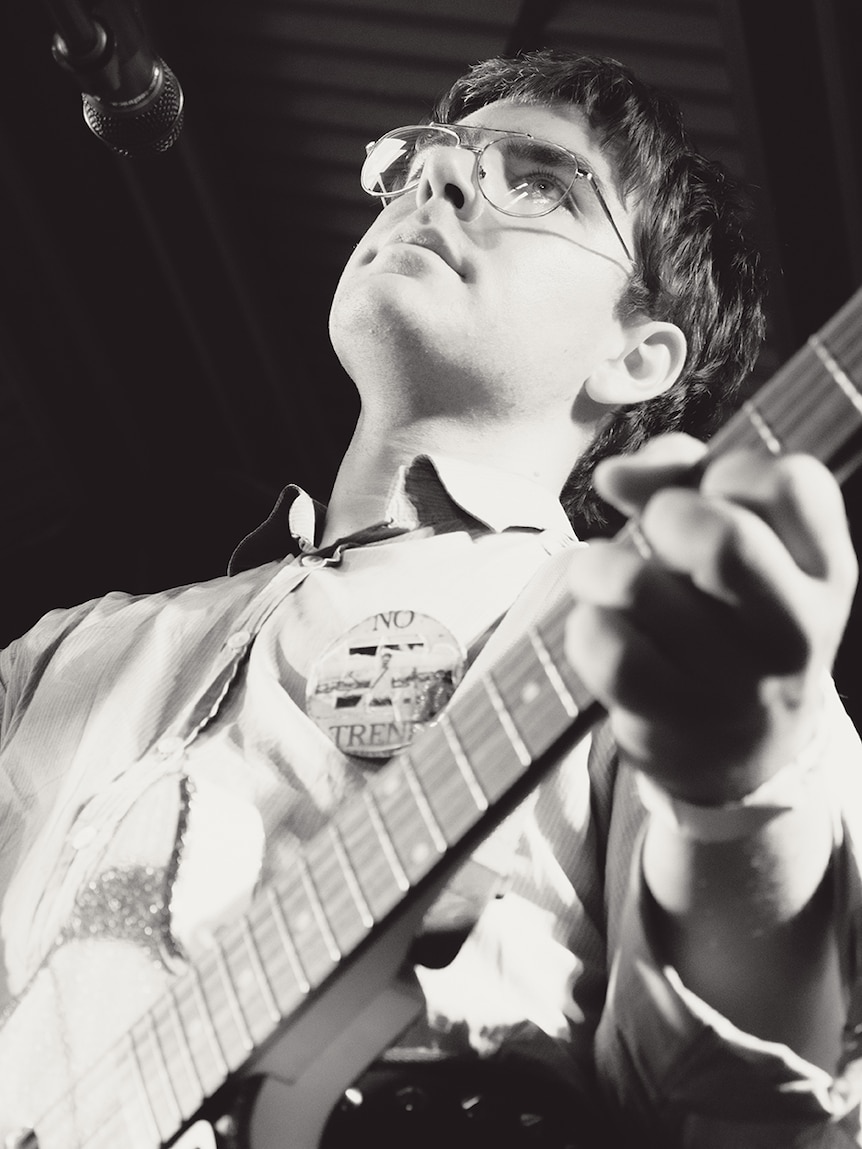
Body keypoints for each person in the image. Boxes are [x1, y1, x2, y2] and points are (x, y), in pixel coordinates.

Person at [0, 47, 860, 1147]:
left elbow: (747, 1119)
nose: (437, 182)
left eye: (541, 180)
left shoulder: (677, 644)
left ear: (638, 357)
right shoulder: (63, 656)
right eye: (426, 159)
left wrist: (741, 802)